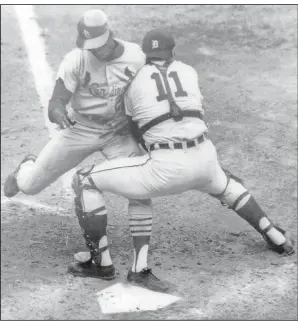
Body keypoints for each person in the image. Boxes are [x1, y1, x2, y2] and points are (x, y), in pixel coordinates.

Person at [69, 28, 295, 291]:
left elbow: (134, 130)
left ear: (145, 54)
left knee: (85, 179)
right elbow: (194, 117)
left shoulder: (133, 81)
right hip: (205, 158)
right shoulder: (189, 72)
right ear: (172, 51)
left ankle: (103, 263)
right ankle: (275, 236)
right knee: (225, 184)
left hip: (165, 169)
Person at [3, 9, 158, 288]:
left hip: (118, 133)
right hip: (80, 130)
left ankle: (141, 262)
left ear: (109, 36)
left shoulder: (136, 57)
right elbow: (56, 102)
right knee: (31, 185)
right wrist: (60, 113)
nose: (93, 52)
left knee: (141, 187)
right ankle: (26, 166)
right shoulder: (76, 60)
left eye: (97, 45)